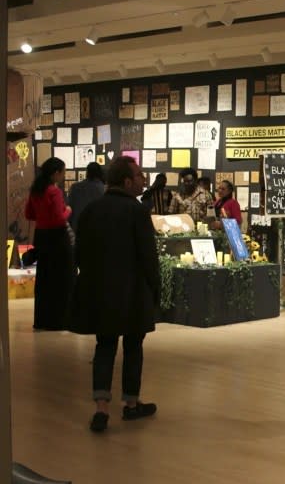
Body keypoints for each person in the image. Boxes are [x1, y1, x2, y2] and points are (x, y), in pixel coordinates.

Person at [69, 156, 160, 433]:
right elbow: (148, 258)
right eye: (139, 175)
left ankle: (101, 408)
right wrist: (155, 290)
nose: (144, 179)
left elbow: (80, 253)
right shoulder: (137, 212)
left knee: (104, 345)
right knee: (133, 346)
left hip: (100, 291)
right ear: (127, 181)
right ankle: (131, 405)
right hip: (132, 292)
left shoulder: (91, 210)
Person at [24, 157, 73, 330]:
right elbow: (60, 219)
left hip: (42, 237)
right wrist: (68, 210)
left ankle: (43, 320)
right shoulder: (54, 191)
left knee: (44, 280)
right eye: (63, 172)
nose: (63, 176)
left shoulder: (36, 190)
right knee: (62, 279)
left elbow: (28, 214)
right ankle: (60, 320)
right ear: (56, 173)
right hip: (58, 239)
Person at [67, 162, 105, 231]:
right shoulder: (103, 189)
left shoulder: (75, 187)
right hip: (97, 227)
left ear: (87, 172)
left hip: (78, 226)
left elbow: (70, 208)